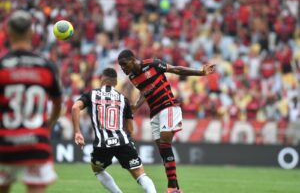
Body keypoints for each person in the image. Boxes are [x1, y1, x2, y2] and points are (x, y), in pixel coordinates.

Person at [118, 49, 216, 193]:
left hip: (168, 106)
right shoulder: (133, 77)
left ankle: (172, 188)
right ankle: (175, 188)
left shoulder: (152, 64)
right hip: (155, 113)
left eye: (124, 64)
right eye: (121, 66)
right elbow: (145, 92)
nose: (123, 68)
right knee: (163, 151)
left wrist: (200, 72)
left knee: (165, 144)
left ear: (133, 59)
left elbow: (176, 70)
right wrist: (136, 106)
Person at [0, 10, 62, 193]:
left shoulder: (2, 66)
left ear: (8, 31)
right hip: (36, 142)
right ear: (32, 32)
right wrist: (47, 127)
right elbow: (58, 104)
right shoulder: (46, 66)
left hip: (5, 142)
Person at [71, 68, 156, 193]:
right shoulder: (123, 99)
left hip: (102, 144)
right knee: (140, 174)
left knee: (98, 170)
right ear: (116, 83)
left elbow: (75, 107)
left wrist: (78, 132)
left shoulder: (92, 94)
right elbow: (130, 129)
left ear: (102, 79)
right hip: (123, 142)